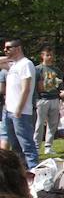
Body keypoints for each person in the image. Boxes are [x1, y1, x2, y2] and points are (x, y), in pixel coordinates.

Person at [2, 39, 39, 169]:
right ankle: (23, 172)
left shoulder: (26, 64)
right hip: (9, 110)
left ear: (18, 48)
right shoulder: (13, 65)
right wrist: (8, 57)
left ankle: (34, 171)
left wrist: (19, 108)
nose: (5, 50)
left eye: (8, 48)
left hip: (21, 112)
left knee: (27, 144)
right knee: (15, 146)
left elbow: (26, 88)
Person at [34, 46, 63, 156]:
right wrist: (36, 99)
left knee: (53, 124)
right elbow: (34, 85)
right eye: (47, 55)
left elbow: (60, 84)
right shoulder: (38, 69)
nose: (50, 57)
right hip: (42, 99)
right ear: (42, 56)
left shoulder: (56, 70)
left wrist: (62, 95)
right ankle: (36, 147)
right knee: (39, 124)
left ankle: (48, 146)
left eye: (51, 55)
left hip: (54, 98)